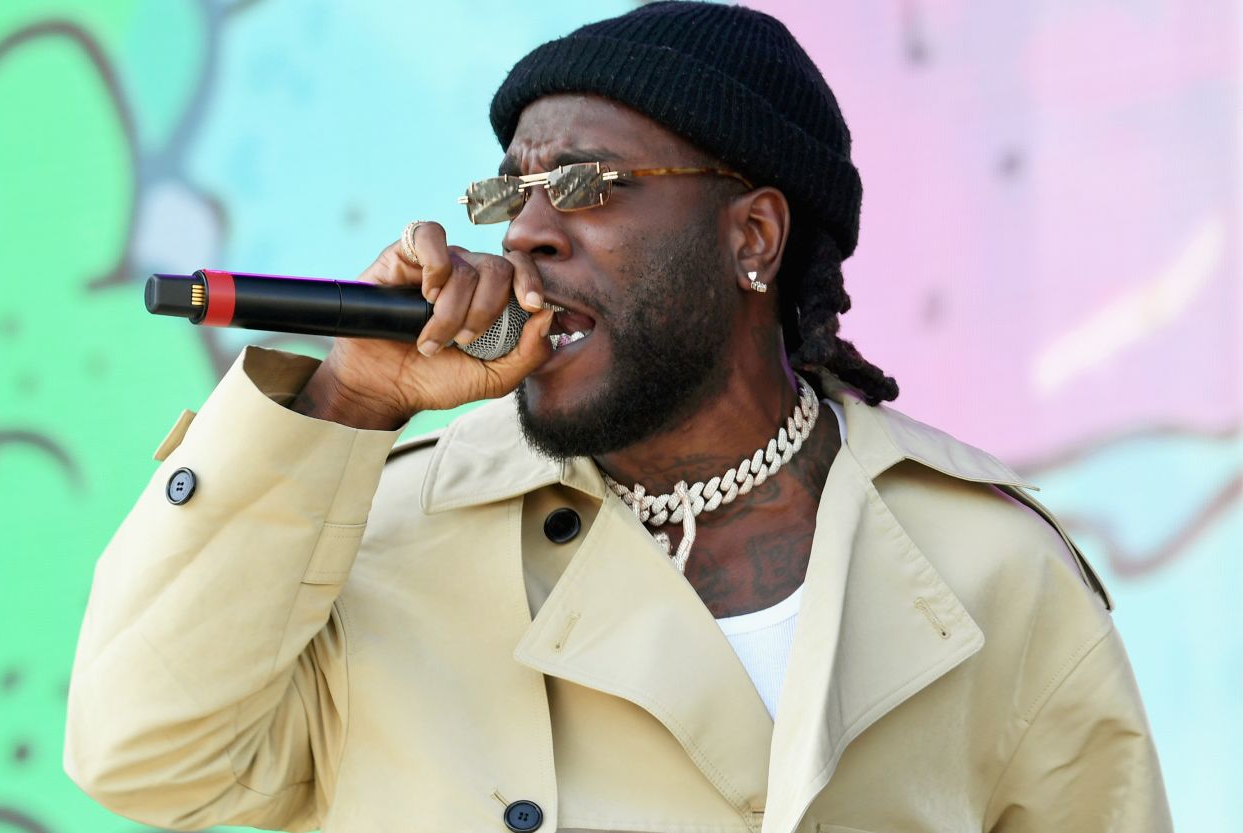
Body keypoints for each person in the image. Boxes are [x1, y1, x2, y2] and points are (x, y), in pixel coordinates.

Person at [62, 3, 1171, 832]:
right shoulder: (380, 534)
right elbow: (145, 752)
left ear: (752, 238)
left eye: (590, 183)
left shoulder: (986, 565)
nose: (531, 232)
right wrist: (350, 401)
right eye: (511, 194)